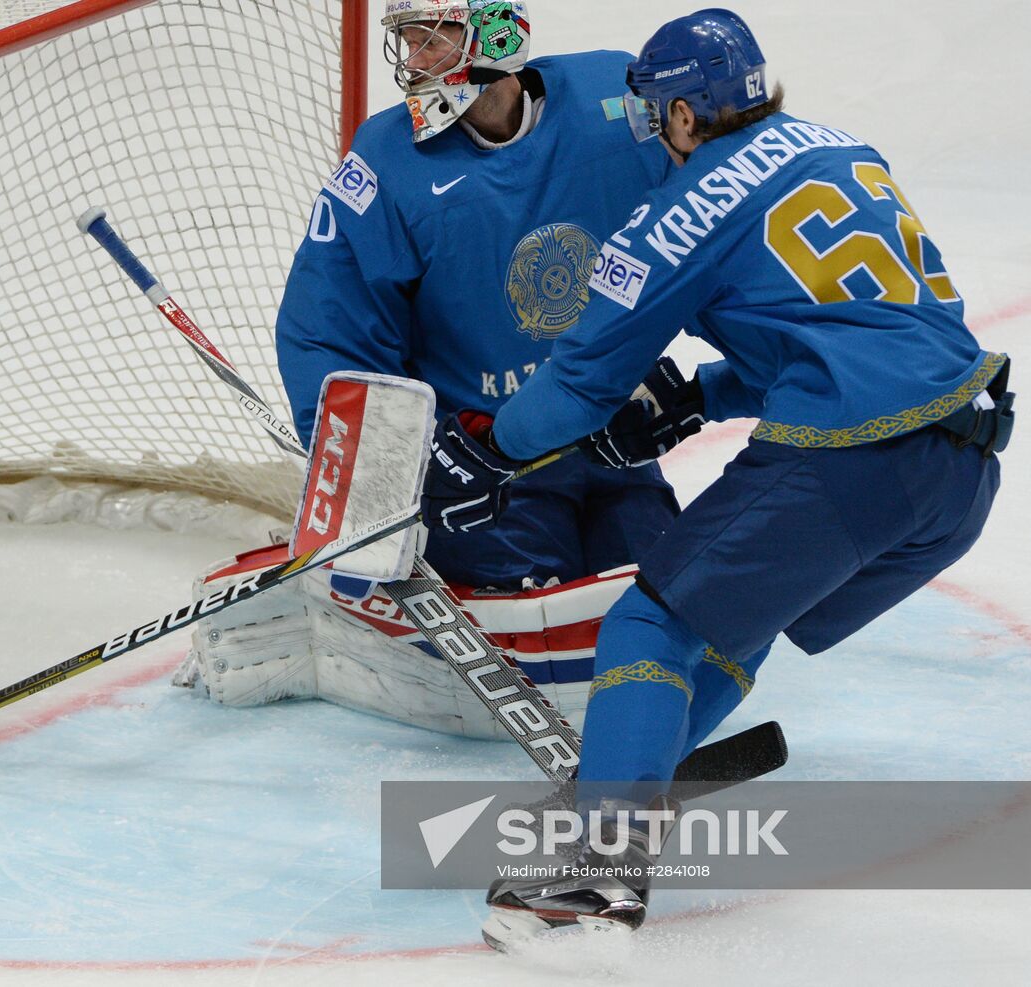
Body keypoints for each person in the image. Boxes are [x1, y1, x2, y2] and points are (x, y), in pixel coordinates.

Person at [419, 8, 1012, 948]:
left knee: (651, 619)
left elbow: (579, 383)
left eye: (659, 117)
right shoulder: (838, 148)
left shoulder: (677, 210)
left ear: (689, 114)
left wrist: (491, 450)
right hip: (963, 468)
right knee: (731, 617)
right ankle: (630, 785)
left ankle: (596, 875)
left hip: (852, 458)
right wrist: (704, 393)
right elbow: (865, 324)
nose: (656, 135)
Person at [174, 0, 684, 738]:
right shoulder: (386, 161)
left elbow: (714, 212)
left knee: (672, 589)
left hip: (606, 441)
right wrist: (375, 472)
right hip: (481, 466)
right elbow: (328, 326)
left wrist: (694, 367)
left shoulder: (620, 102)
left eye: (433, 35)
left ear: (499, 33)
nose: (413, 58)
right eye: (407, 37)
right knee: (538, 621)